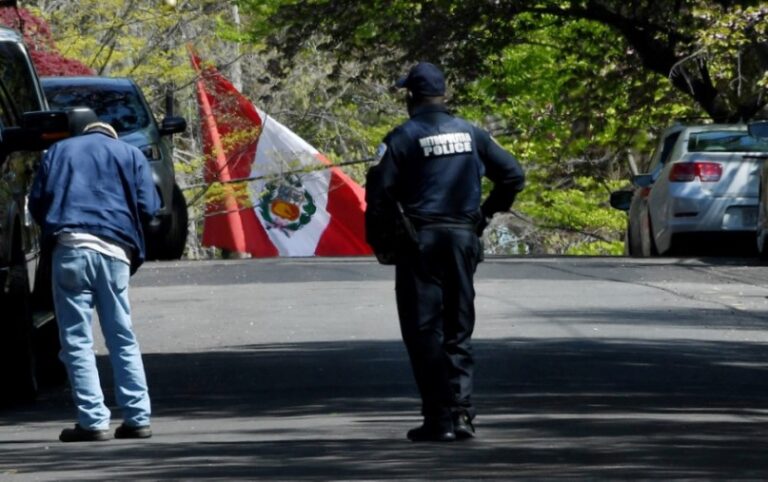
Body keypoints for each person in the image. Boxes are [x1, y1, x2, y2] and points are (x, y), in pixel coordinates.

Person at [365, 62, 525, 442]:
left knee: (424, 332)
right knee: (457, 329)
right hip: (462, 241)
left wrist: (386, 239)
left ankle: (438, 418)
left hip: (419, 242)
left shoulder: (401, 137)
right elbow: (513, 175)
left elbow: (378, 194)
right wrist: (484, 213)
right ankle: (463, 416)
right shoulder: (473, 134)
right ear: (443, 95)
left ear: (411, 98)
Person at [29, 121, 160, 443]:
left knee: (76, 339)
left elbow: (37, 202)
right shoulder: (130, 154)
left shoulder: (59, 151)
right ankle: (137, 418)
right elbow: (149, 206)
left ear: (83, 132)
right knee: (122, 336)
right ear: (111, 134)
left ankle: (92, 421)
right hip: (115, 251)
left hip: (71, 247)